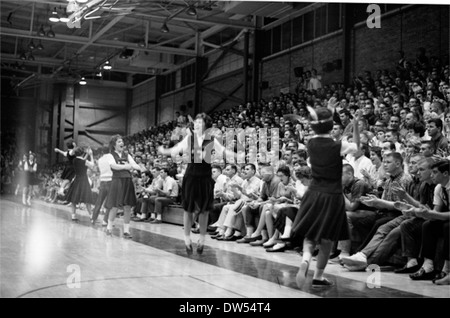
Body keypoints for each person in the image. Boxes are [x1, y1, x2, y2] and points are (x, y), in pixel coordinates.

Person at [291, 107, 361, 289]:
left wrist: (328, 110)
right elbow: (357, 147)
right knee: (327, 239)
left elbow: (320, 127)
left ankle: (306, 259)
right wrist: (355, 125)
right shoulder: (339, 146)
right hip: (332, 195)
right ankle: (319, 276)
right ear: (331, 126)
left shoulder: (310, 143)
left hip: (313, 192)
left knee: (310, 233)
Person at [158, 113, 233, 255]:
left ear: (206, 124)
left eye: (200, 122)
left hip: (205, 177)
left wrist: (235, 155)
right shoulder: (189, 138)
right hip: (191, 176)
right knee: (188, 210)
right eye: (196, 122)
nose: (197, 124)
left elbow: (223, 151)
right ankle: (187, 240)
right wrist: (165, 150)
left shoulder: (211, 139)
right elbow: (176, 149)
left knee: (204, 210)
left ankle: (202, 240)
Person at [104, 135, 142, 239]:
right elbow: (113, 166)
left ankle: (126, 231)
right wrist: (126, 166)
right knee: (115, 206)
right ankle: (109, 227)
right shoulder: (109, 155)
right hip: (117, 181)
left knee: (128, 206)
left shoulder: (127, 154)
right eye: (119, 141)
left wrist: (140, 168)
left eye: (122, 141)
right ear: (114, 144)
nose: (122, 143)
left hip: (127, 180)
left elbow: (133, 164)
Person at [64, 146, 95, 221]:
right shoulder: (84, 162)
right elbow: (92, 165)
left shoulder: (75, 160)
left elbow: (82, 160)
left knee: (74, 199)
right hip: (84, 181)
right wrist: (91, 155)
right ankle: (91, 217)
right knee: (87, 200)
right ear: (83, 153)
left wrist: (86, 154)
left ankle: (73, 216)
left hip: (77, 180)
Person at [91, 147, 113, 226]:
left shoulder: (100, 160)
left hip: (102, 181)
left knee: (99, 201)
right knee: (109, 202)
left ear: (102, 152)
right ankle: (105, 220)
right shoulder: (111, 157)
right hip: (110, 181)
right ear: (110, 151)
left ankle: (93, 218)